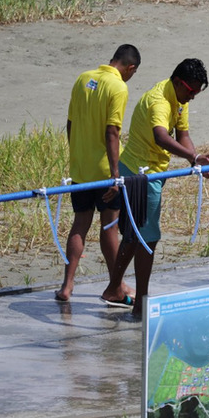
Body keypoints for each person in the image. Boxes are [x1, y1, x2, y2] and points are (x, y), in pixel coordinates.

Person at [105, 58, 209, 317]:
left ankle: (113, 288)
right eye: (191, 92)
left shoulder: (180, 99)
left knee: (135, 236)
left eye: (197, 94)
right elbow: (161, 136)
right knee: (149, 239)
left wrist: (198, 162)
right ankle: (140, 305)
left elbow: (183, 134)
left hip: (153, 171)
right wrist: (193, 158)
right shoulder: (158, 100)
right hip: (139, 173)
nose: (192, 98)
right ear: (178, 82)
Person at [56, 44, 140, 304]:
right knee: (110, 227)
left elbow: (70, 123)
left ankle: (67, 286)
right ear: (130, 68)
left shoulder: (83, 78)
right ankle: (117, 285)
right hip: (105, 171)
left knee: (80, 225)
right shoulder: (119, 87)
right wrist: (115, 175)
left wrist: (77, 154)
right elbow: (112, 132)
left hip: (80, 169)